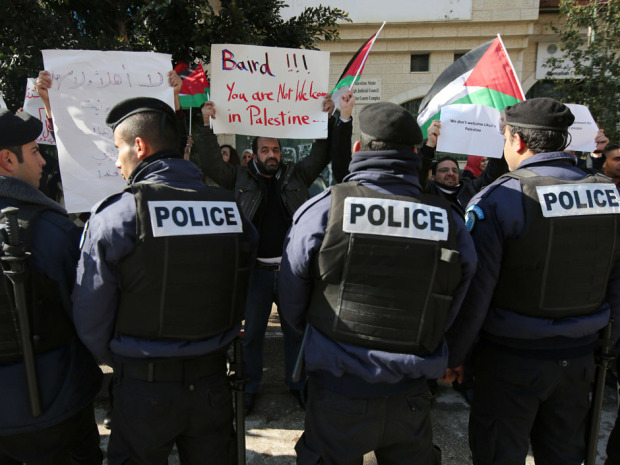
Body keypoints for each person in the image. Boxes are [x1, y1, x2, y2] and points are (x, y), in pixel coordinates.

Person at [279, 102, 477, 464]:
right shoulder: (448, 221)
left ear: (358, 149)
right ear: (415, 154)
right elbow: (460, 296)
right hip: (411, 395)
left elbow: (291, 298)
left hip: (338, 392)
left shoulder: (323, 210)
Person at [73, 97, 257, 464]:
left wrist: (130, 358)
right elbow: (244, 271)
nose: (116, 160)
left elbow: (90, 318)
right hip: (212, 381)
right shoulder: (229, 208)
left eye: (117, 149)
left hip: (145, 386)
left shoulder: (117, 215)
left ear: (138, 146)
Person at [443, 97, 620, 465]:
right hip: (580, 358)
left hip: (511, 362)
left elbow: (477, 290)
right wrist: (607, 348)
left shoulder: (499, 198)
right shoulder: (607, 193)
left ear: (518, 141)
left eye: (504, 137)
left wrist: (455, 354)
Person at [198, 95, 335, 415]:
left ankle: (298, 385)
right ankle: (249, 389)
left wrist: (325, 119)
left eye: (276, 150)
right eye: (265, 150)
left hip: (291, 273)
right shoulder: (240, 178)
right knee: (252, 336)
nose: (272, 155)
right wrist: (206, 127)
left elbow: (321, 154)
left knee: (295, 333)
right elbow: (210, 164)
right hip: (256, 272)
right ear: (255, 154)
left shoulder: (295, 175)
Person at [0, 109, 103, 464]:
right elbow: (89, 313)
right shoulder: (51, 232)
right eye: (34, 151)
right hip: (54, 405)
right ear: (7, 160)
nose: (43, 160)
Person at [420, 120, 508, 217]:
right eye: (444, 170)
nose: (451, 173)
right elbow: (420, 173)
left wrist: (501, 143)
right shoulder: (429, 191)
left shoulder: (468, 188)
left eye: (455, 170)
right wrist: (430, 145)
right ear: (433, 177)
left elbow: (493, 173)